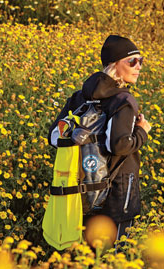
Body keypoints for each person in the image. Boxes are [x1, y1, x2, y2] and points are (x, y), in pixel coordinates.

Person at [47, 35, 151, 244]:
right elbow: (119, 145)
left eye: (141, 61)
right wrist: (142, 131)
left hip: (81, 190)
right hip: (116, 194)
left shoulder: (79, 97)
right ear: (114, 64)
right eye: (132, 61)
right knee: (114, 257)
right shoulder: (124, 100)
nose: (138, 66)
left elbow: (54, 136)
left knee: (82, 254)